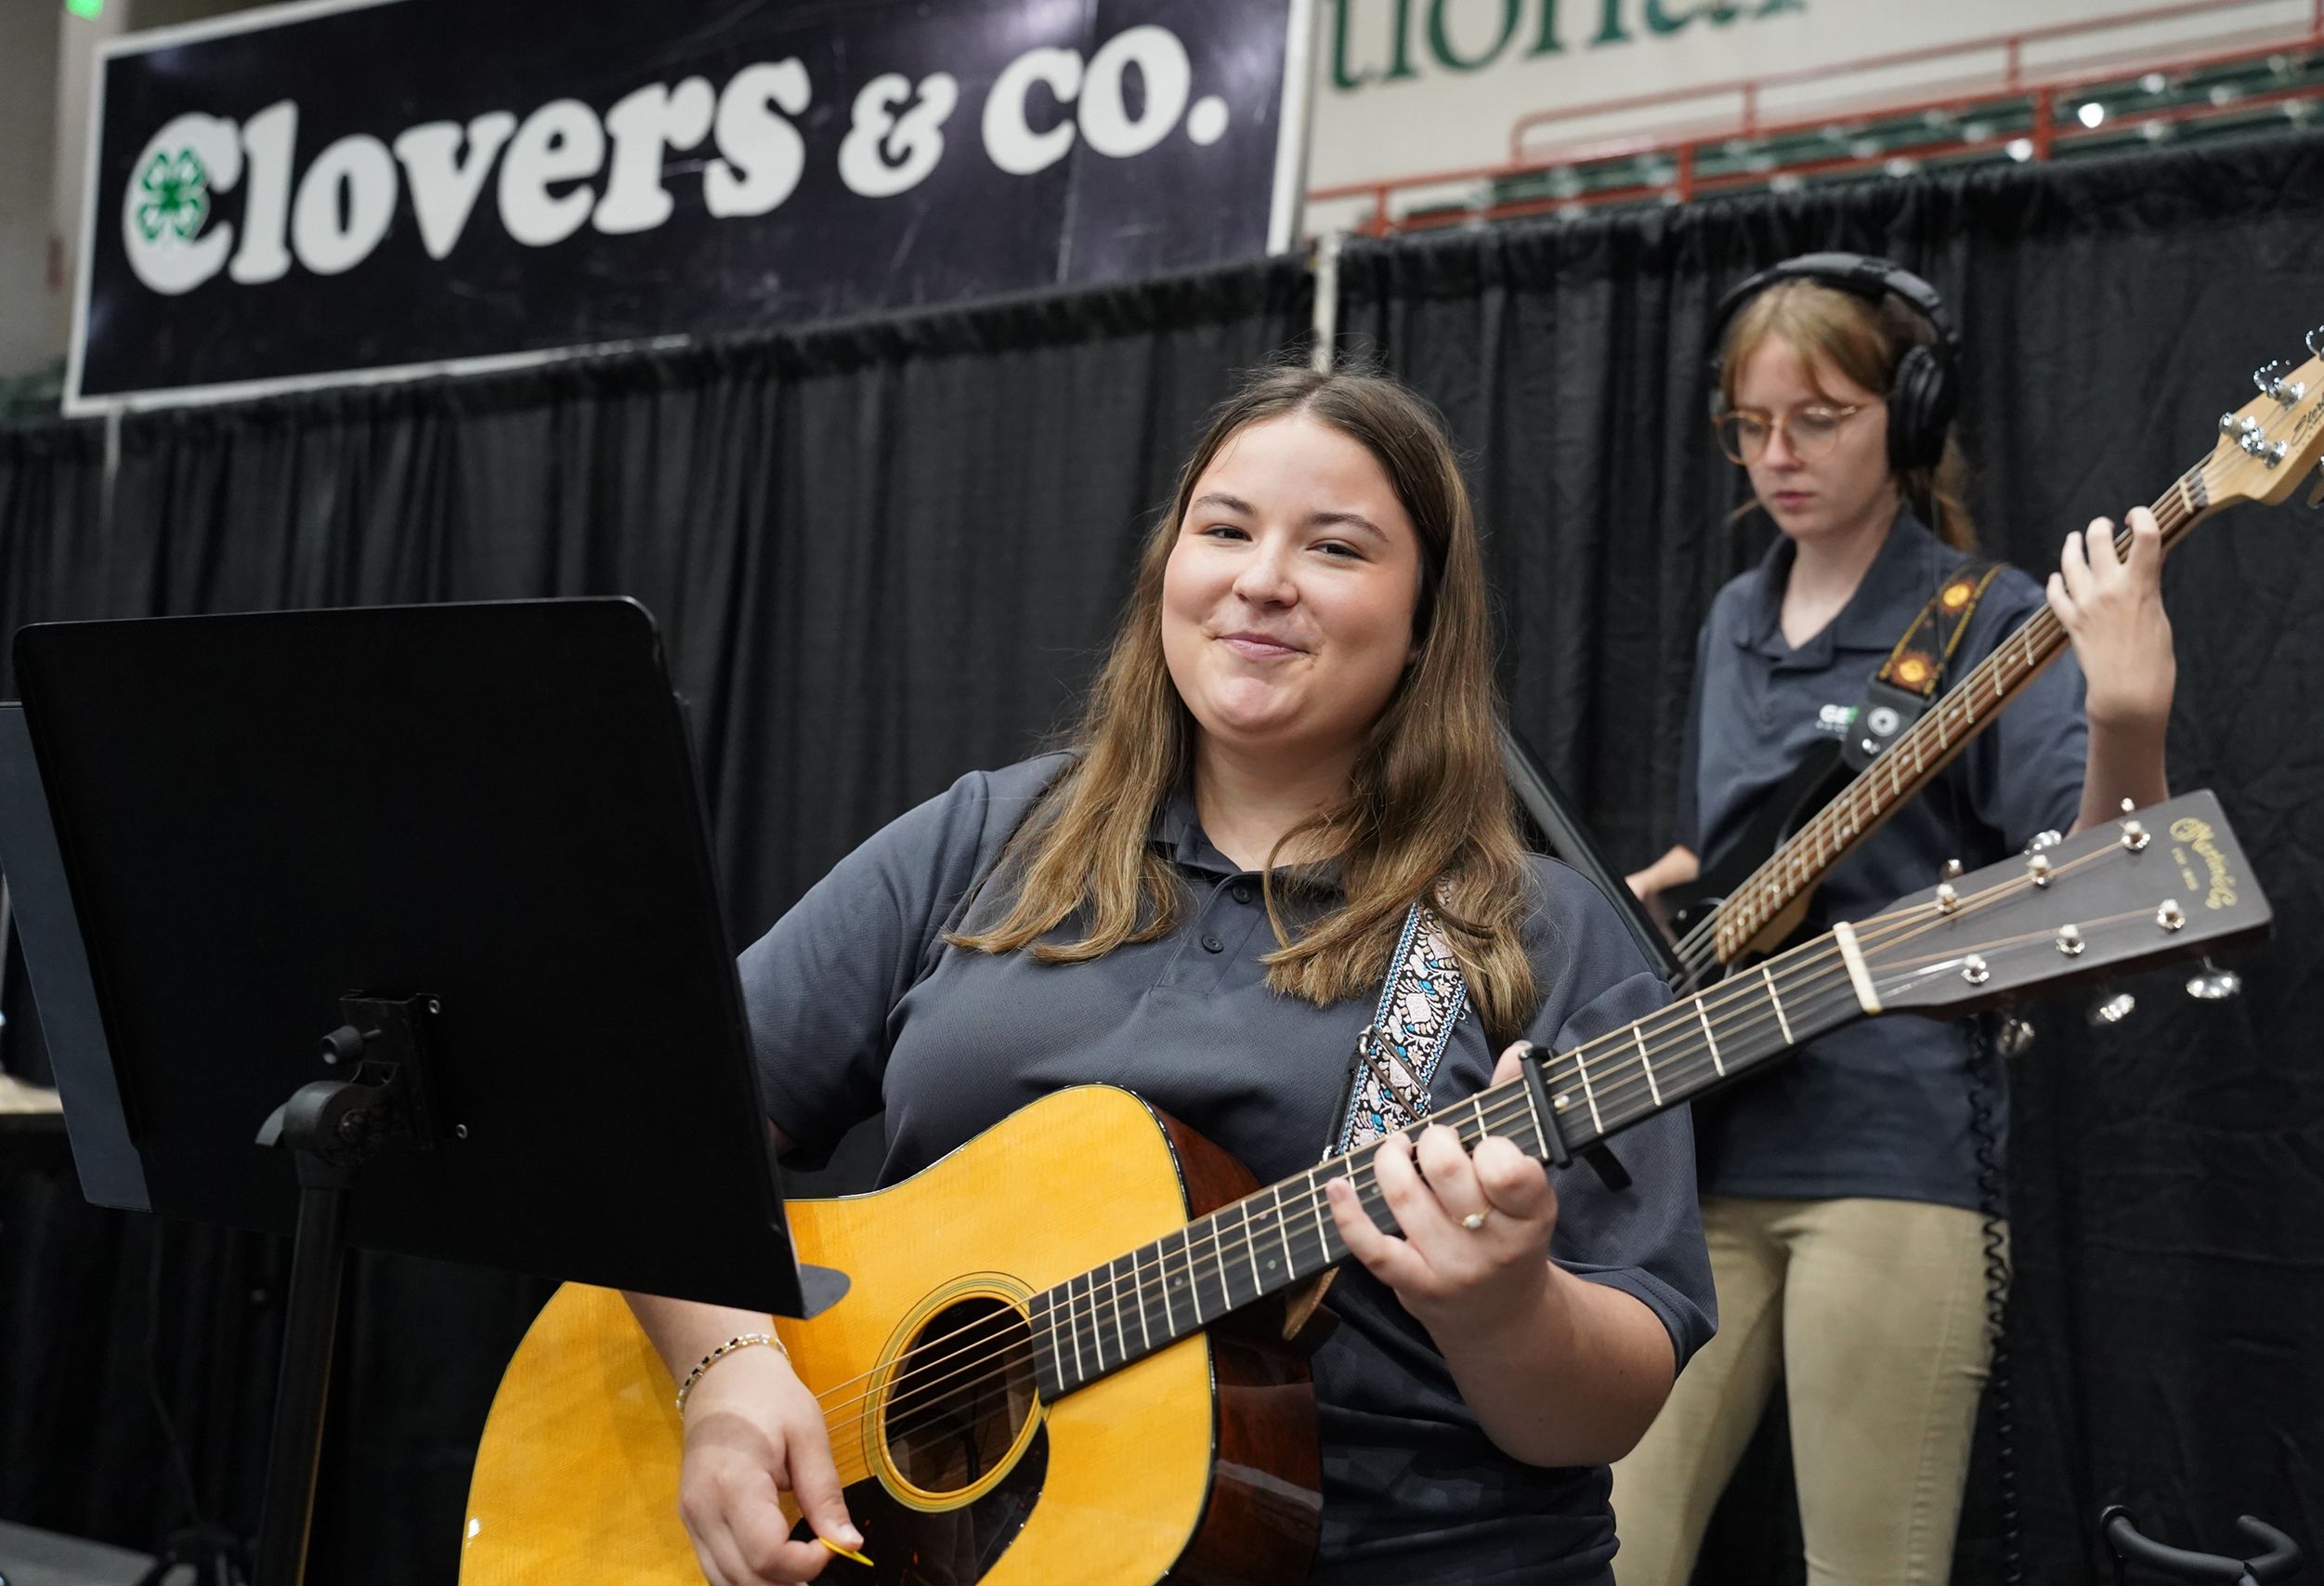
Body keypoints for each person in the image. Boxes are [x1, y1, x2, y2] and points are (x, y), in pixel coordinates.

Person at [625, 363, 1718, 1586]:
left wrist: (1505, 1306)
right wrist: (728, 1374)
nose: (1263, 580)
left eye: (1339, 548)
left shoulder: (1538, 931)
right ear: (1167, 569)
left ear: (1423, 625)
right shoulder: (985, 840)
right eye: (1226, 530)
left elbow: (1603, 1411)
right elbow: (656, 1125)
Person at [1612, 256, 2174, 1586]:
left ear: (1909, 417)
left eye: (1820, 418)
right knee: (1610, 1548)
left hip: (1891, 1152)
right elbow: (1743, 843)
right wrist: (1651, 897)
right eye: (1750, 427)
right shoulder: (1734, 615)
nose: (1778, 457)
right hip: (1705, 1139)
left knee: (1867, 1567)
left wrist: (2128, 717)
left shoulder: (1989, 617)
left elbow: (2096, 875)